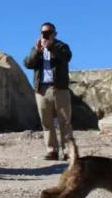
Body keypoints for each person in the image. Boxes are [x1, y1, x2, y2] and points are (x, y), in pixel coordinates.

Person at [23, 22, 74, 160]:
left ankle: (68, 151)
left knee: (65, 121)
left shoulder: (61, 46)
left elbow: (67, 57)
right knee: (46, 121)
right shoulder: (37, 48)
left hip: (59, 88)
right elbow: (28, 63)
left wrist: (51, 45)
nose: (45, 35)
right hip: (42, 89)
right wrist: (37, 51)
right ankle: (52, 150)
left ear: (54, 34)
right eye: (43, 32)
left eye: (48, 32)